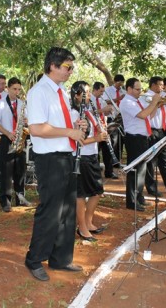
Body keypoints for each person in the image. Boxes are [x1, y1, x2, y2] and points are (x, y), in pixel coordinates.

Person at [25, 47, 86, 282]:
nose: (71, 71)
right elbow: (37, 129)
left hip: (67, 156)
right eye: (67, 67)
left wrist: (79, 125)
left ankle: (60, 258)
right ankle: (34, 259)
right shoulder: (39, 92)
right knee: (50, 211)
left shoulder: (60, 91)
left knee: (67, 211)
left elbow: (65, 122)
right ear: (53, 65)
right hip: (50, 159)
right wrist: (69, 130)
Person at [70, 81, 107, 241]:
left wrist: (103, 131)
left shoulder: (89, 111)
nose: (89, 95)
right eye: (85, 92)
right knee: (81, 194)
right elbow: (80, 140)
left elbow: (95, 130)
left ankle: (88, 221)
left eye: (89, 92)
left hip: (91, 155)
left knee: (97, 191)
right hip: (80, 157)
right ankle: (83, 228)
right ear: (77, 95)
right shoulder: (73, 113)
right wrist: (97, 138)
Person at [0, 77, 31, 212]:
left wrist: (26, 121)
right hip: (6, 139)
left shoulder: (22, 104)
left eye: (19, 89)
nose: (17, 92)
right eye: (14, 89)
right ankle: (5, 200)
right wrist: (8, 133)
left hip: (19, 139)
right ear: (7, 88)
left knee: (20, 170)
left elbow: (28, 121)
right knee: (6, 172)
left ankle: (20, 198)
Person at [120, 78, 160, 211]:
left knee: (142, 170)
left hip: (143, 137)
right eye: (137, 89)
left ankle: (139, 197)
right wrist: (153, 102)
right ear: (129, 89)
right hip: (134, 139)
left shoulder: (137, 102)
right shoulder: (127, 102)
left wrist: (156, 105)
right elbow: (143, 115)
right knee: (134, 170)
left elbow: (149, 117)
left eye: (140, 89)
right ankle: (131, 201)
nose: (140, 92)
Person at [90, 82, 117, 179]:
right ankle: (95, 173)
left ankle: (109, 172)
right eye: (101, 91)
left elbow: (103, 114)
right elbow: (88, 113)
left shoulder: (101, 100)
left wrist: (108, 111)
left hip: (103, 128)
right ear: (95, 89)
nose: (102, 94)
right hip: (94, 129)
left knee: (107, 151)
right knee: (96, 152)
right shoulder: (89, 99)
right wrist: (102, 110)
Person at [102, 74, 126, 163]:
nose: (120, 85)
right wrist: (118, 98)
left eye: (122, 83)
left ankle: (118, 160)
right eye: (119, 83)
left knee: (120, 140)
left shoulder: (123, 91)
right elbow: (105, 101)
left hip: (121, 117)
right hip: (111, 117)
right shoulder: (107, 90)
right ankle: (111, 160)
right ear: (115, 82)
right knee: (113, 140)